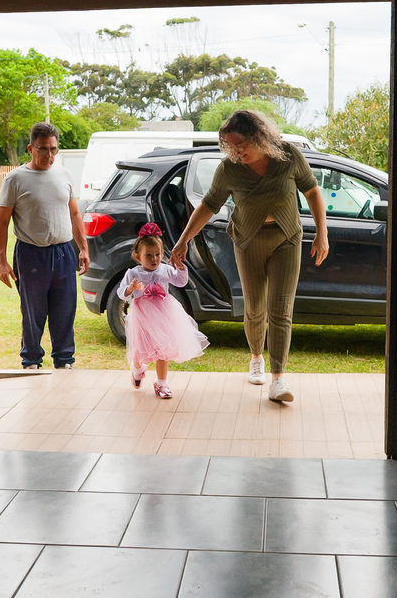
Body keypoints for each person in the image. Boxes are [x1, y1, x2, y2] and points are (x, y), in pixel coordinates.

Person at [170, 110, 329, 403]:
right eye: (231, 147)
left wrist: (322, 233)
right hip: (248, 240)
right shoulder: (229, 169)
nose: (237, 152)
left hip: (287, 238)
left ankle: (279, 379)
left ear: (259, 136)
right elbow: (208, 205)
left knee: (280, 309)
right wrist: (182, 241)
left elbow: (312, 191)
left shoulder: (288, 156)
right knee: (255, 308)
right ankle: (257, 356)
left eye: (241, 145)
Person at [0, 121, 90, 370]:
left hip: (63, 253)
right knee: (33, 312)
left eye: (53, 149)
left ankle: (64, 361)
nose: (49, 155)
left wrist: (83, 248)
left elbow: (75, 214)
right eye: (43, 149)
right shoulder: (15, 179)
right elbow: (2, 222)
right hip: (30, 254)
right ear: (30, 148)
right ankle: (31, 362)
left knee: (65, 311)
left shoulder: (64, 175)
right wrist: (2, 261)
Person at [117, 223, 208, 398]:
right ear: (138, 257)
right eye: (148, 255)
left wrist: (181, 267)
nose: (154, 259)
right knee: (140, 348)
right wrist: (130, 288)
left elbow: (180, 282)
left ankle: (162, 383)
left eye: (158, 254)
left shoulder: (165, 269)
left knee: (163, 348)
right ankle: (137, 368)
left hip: (164, 312)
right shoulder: (133, 273)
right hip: (142, 314)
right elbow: (122, 293)